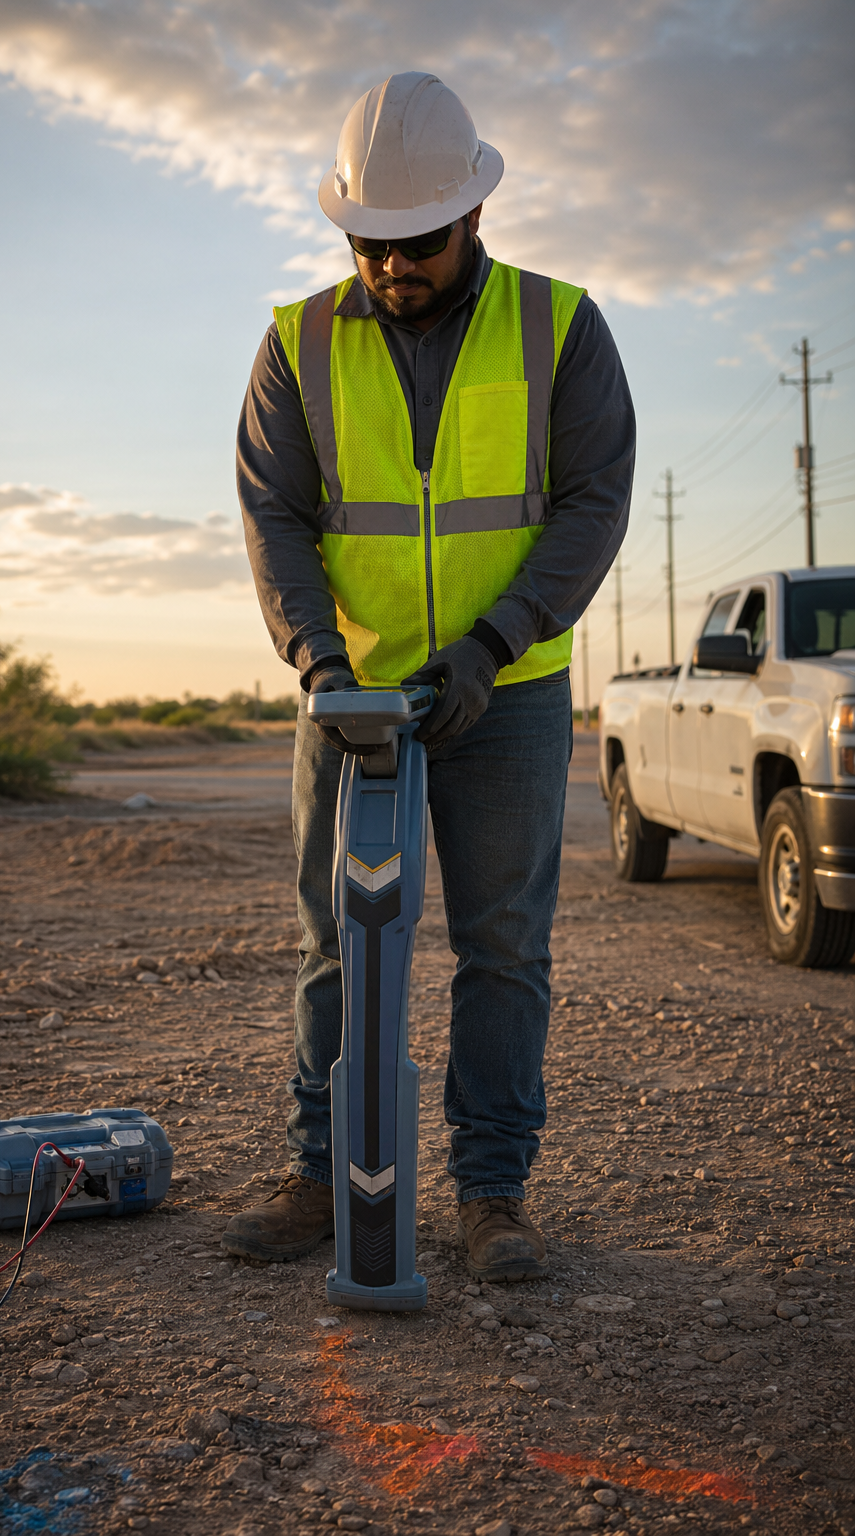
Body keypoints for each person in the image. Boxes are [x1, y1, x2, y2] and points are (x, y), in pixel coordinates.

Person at [223, 72, 634, 1282]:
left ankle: (492, 1196)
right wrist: (320, 663)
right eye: (369, 243)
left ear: (472, 216)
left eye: (416, 243)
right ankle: (318, 1173)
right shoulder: (295, 341)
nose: (392, 265)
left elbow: (590, 504)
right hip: (348, 695)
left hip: (503, 694)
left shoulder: (560, 327)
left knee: (501, 945)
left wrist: (493, 640)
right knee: (334, 942)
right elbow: (273, 515)